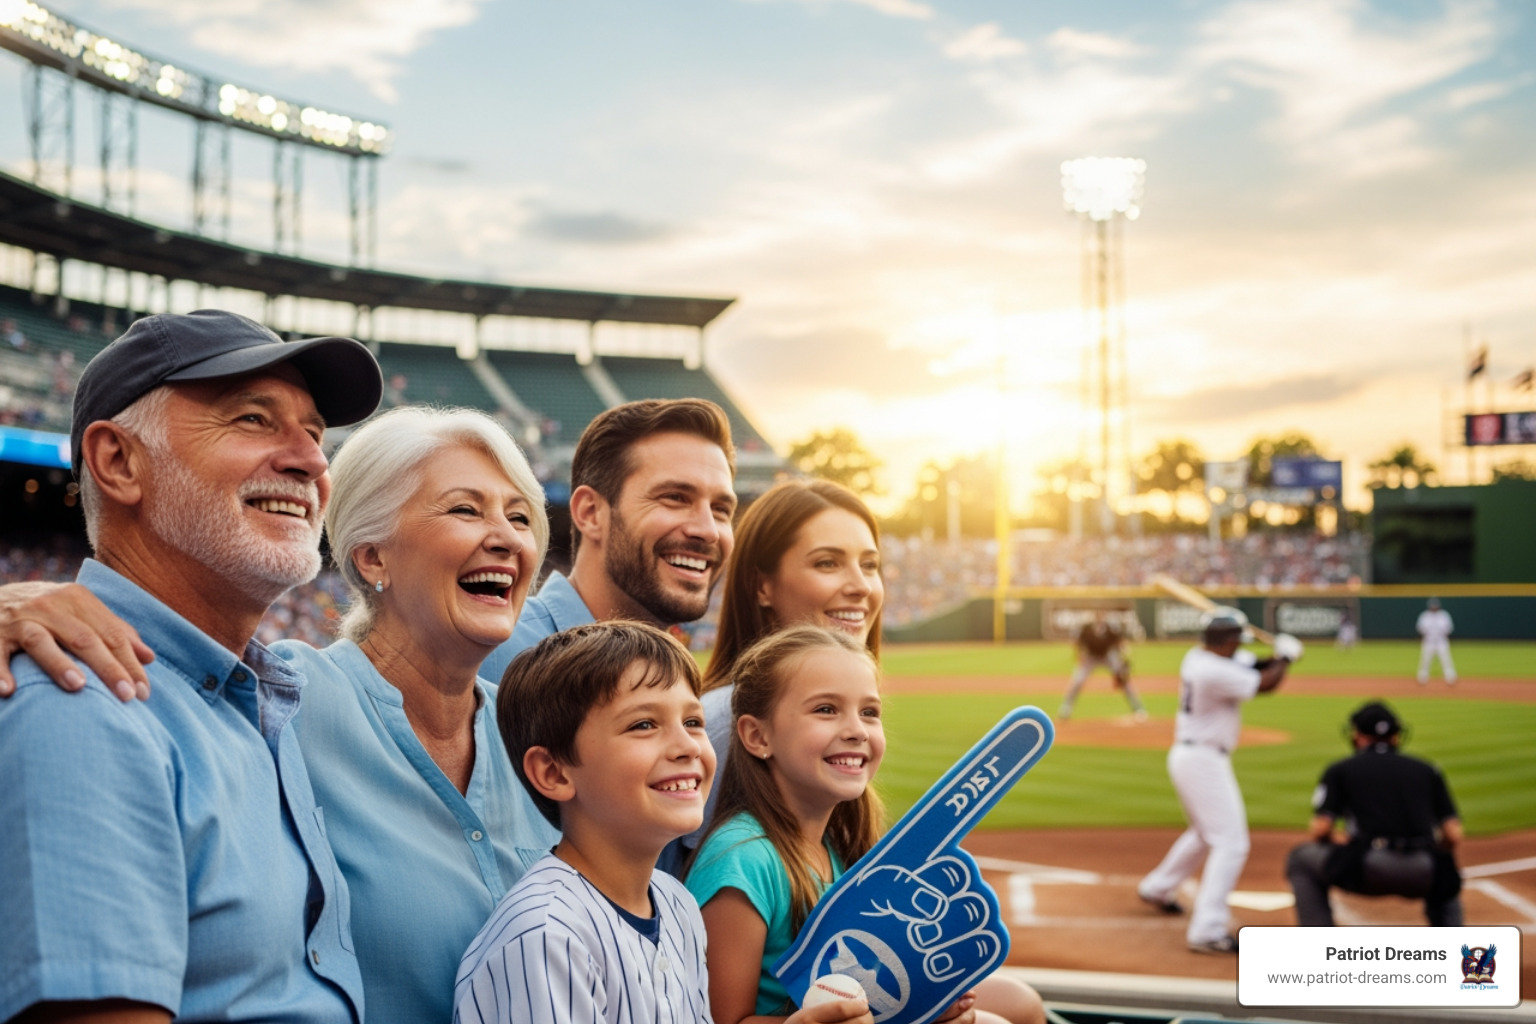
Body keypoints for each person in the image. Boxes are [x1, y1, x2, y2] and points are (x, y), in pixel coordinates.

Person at [0, 404, 567, 1024]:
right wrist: (20, 604)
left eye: (520, 517)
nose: (508, 537)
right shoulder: (282, 700)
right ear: (371, 556)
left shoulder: (536, 742)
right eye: (465, 509)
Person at [0, 309, 379, 1023]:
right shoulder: (80, 700)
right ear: (118, 462)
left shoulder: (258, 700)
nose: (312, 460)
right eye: (253, 420)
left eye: (315, 432)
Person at [689, 480, 1042, 1024]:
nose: (859, 586)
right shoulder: (719, 751)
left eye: (870, 564)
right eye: (828, 563)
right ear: (754, 734)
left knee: (1009, 1007)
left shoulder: (823, 834)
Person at [454, 622, 737, 1024]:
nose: (688, 746)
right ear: (554, 773)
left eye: (693, 722)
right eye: (644, 725)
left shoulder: (677, 902)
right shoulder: (547, 935)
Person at [476, 397, 738, 682]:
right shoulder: (487, 656)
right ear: (591, 513)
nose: (709, 530)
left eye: (721, 509)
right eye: (675, 498)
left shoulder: (676, 683)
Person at [1136, 608, 1303, 954]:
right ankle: (1208, 930)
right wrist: (1284, 657)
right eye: (1235, 641)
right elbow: (1266, 683)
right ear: (1225, 642)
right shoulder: (1213, 671)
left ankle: (1157, 887)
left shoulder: (1198, 657)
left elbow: (1251, 664)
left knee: (1203, 833)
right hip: (1203, 761)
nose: (1238, 646)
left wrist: (1278, 656)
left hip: (1193, 756)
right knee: (1231, 841)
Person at [1286, 701, 1463, 927]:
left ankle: (1321, 946)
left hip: (1369, 868)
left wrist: (1340, 847)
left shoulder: (1341, 769)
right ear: (1396, 737)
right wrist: (1433, 851)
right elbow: (1454, 834)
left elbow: (1321, 829)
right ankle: (1456, 950)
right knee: (1446, 872)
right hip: (1423, 870)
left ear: (1358, 736)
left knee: (1301, 858)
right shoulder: (1427, 769)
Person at [1058, 609, 1147, 722]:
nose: (1099, 617)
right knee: (1077, 681)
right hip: (1091, 657)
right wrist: (1079, 654)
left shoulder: (1110, 628)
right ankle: (1065, 709)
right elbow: (1078, 642)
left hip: (1107, 656)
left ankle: (1138, 708)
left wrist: (1124, 651)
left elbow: (1119, 641)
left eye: (1101, 615)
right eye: (1097, 615)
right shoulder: (1087, 628)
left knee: (1124, 681)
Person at [1416, 597, 1457, 685]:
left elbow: (1449, 629)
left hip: (1441, 641)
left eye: (1435, 605)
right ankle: (1422, 678)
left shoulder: (1444, 615)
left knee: (1446, 659)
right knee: (1425, 660)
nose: (1434, 607)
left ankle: (1450, 678)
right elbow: (1420, 629)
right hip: (1429, 640)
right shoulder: (1425, 615)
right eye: (1432, 605)